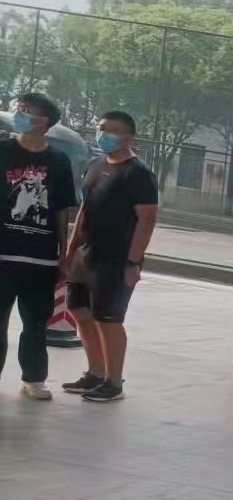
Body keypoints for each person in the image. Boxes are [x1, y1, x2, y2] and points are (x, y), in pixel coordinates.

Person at [61, 110, 158, 403]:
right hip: (85, 256)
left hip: (114, 260)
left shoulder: (138, 174)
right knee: (79, 312)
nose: (104, 135)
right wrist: (70, 250)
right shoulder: (95, 165)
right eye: (101, 128)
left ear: (129, 137)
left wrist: (133, 261)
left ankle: (114, 383)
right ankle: (95, 372)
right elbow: (84, 210)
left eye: (112, 131)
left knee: (108, 319)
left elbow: (147, 219)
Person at [1, 93, 78, 400]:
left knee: (35, 323)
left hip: (40, 258)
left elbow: (61, 210)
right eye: (18, 109)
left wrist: (64, 252)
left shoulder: (58, 161)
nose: (19, 114)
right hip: (3, 255)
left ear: (45, 121)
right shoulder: (3, 151)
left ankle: (33, 379)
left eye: (27, 110)